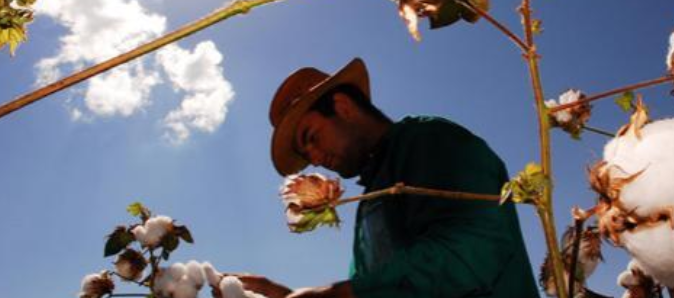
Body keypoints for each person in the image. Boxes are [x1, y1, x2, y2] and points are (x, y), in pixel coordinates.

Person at [219, 58, 539, 298]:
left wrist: (335, 295)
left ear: (342, 107)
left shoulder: (429, 140)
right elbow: (377, 290)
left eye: (312, 137)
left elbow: (473, 252)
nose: (315, 159)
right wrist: (285, 294)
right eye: (306, 154)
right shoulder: (369, 203)